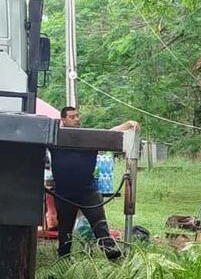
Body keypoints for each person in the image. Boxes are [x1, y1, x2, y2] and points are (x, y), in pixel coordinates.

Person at [49, 106, 139, 260]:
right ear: (63, 119)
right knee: (65, 228)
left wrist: (128, 124)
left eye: (77, 116)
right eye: (72, 117)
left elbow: (109, 134)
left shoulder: (89, 137)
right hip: (64, 191)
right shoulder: (55, 138)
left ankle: (111, 252)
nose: (76, 119)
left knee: (99, 223)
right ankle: (63, 259)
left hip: (87, 189)